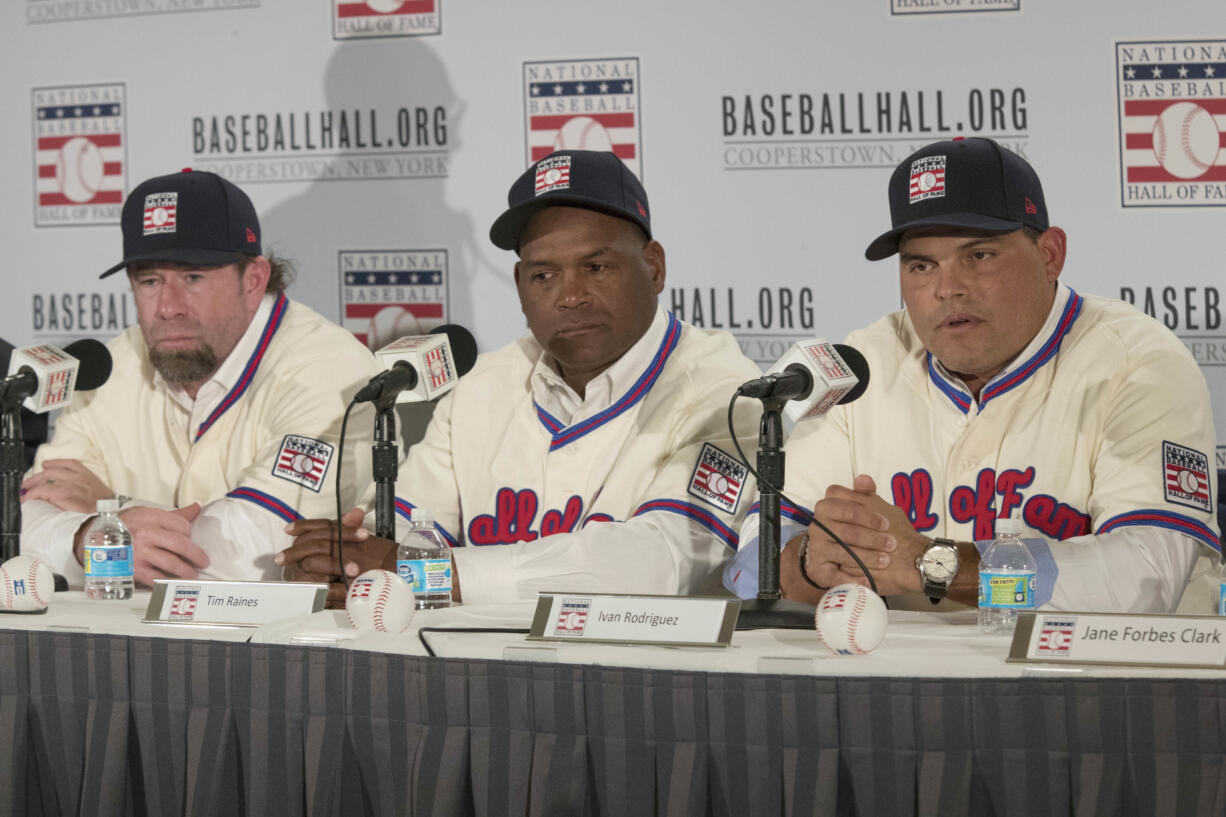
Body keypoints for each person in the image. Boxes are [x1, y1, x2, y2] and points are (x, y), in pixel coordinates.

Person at [724, 137, 1220, 613]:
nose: (947, 289)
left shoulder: (1138, 364)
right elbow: (749, 567)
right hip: (905, 688)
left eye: (978, 256)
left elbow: (1145, 580)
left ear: (1050, 254)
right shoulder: (862, 363)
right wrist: (811, 565)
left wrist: (930, 567)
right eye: (921, 266)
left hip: (1093, 688)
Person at [278, 149, 761, 604]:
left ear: (653, 268)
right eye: (543, 276)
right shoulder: (484, 385)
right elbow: (406, 527)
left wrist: (424, 574)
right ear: (519, 285)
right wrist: (345, 565)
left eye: (596, 267)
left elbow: (665, 562)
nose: (570, 296)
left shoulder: (723, 390)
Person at [21, 169, 377, 585]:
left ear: (253, 279)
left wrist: (108, 520)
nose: (168, 307)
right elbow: (29, 513)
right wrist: (85, 537)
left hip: (280, 644)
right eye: (150, 280)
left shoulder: (330, 368)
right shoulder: (111, 365)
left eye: (193, 278)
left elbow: (264, 549)